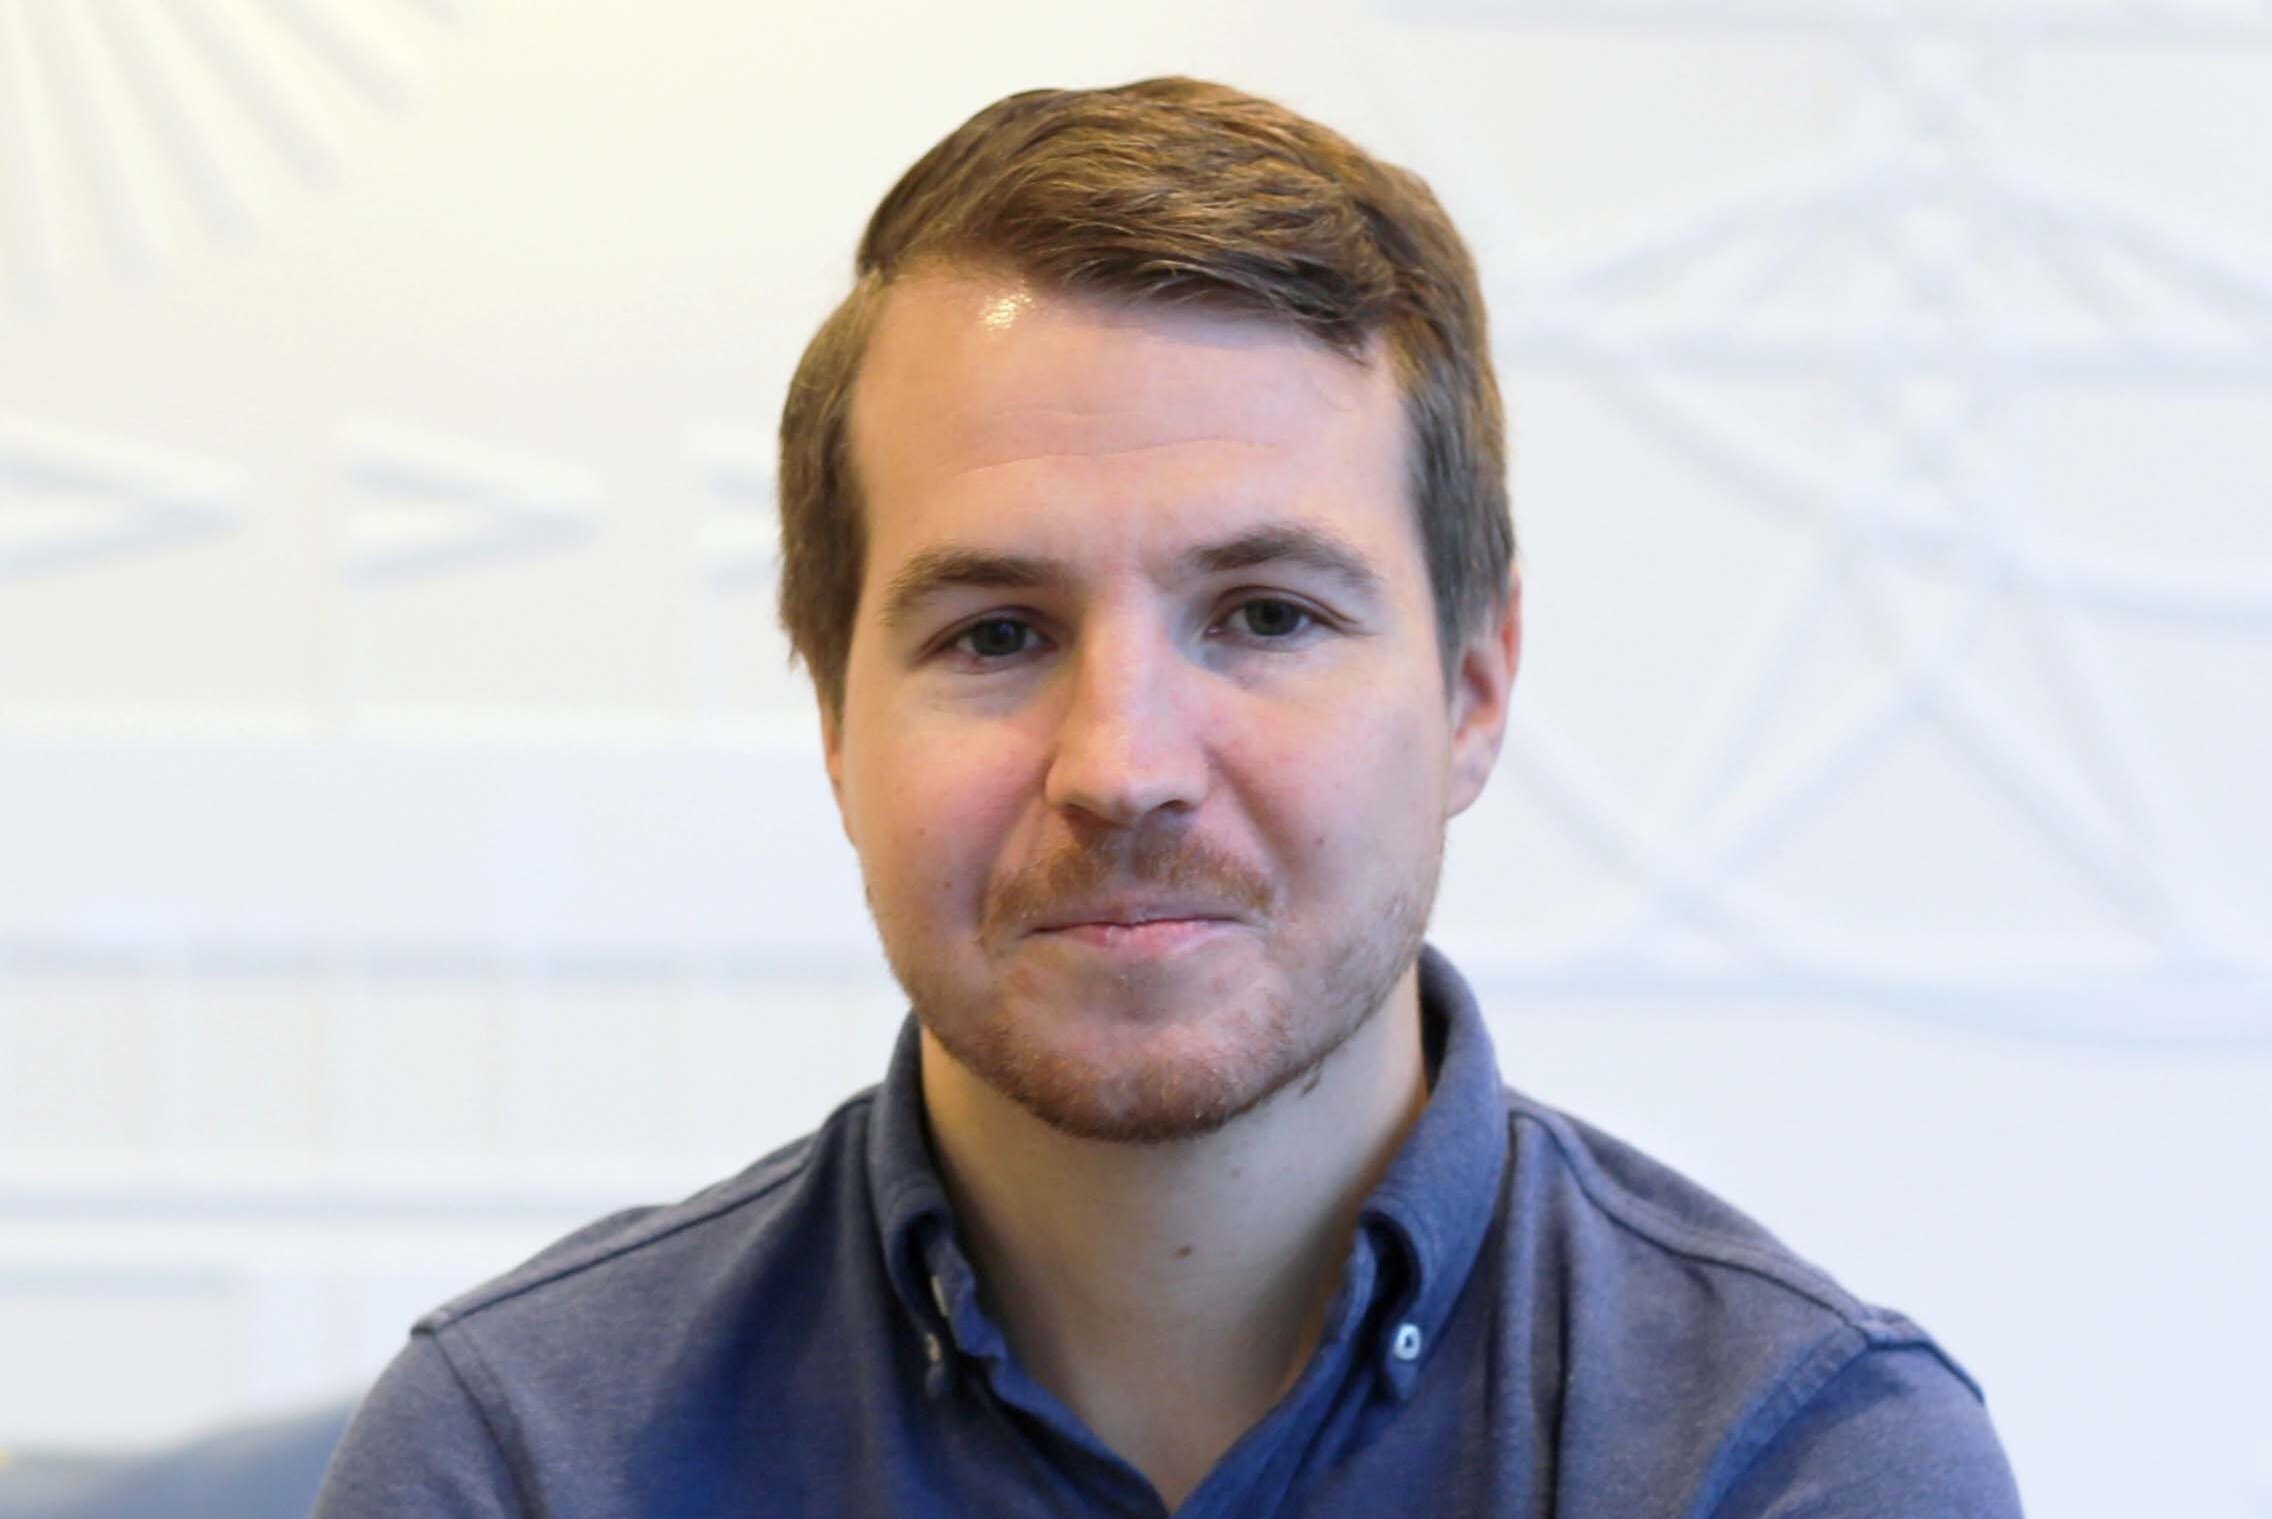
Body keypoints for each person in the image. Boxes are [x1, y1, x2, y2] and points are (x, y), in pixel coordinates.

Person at [312, 77, 2023, 1517]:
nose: (1123, 767)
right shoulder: (519, 1465)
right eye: (996, 634)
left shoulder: (1790, 1463)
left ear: (1474, 689)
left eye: (1265, 618)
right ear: (834, 715)